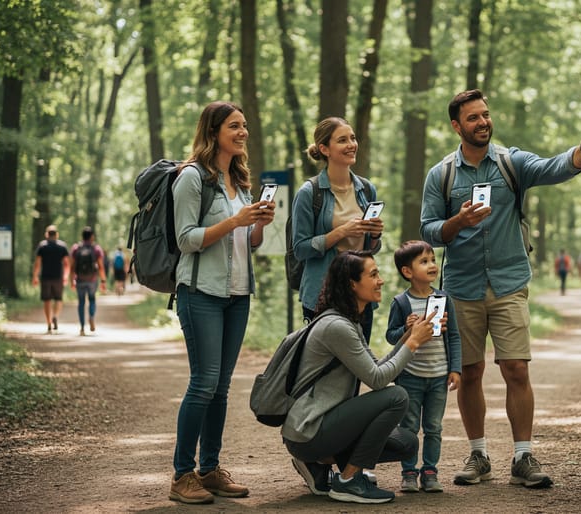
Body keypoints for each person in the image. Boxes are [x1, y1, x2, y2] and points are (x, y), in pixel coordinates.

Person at [419, 89, 581, 489]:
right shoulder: (442, 174)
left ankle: (524, 456)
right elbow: (428, 230)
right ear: (457, 126)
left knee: (516, 369)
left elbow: (553, 168)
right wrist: (457, 222)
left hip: (509, 282)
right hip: (461, 287)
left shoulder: (512, 163)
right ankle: (479, 455)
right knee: (470, 373)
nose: (483, 122)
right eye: (473, 118)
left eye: (486, 115)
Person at [168, 101, 275, 504]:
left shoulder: (241, 180)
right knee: (203, 383)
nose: (243, 132)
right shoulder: (192, 178)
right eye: (235, 126)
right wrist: (234, 220)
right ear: (214, 132)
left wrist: (259, 224)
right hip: (201, 293)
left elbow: (248, 243)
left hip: (237, 294)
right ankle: (182, 475)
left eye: (245, 125)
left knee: (221, 388)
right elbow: (186, 239)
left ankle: (210, 470)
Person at [284, 250, 437, 504]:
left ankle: (320, 464)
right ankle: (348, 480)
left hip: (318, 426)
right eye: (373, 274)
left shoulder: (349, 322)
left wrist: (408, 336)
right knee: (397, 396)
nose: (381, 280)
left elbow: (376, 366)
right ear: (352, 284)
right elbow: (377, 380)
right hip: (309, 430)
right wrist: (413, 344)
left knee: (406, 444)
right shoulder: (337, 327)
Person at [290, 117, 384, 342]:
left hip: (361, 293)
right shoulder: (309, 193)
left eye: (352, 138)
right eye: (342, 140)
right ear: (324, 149)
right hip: (323, 295)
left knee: (356, 371)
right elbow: (300, 249)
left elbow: (372, 247)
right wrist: (341, 232)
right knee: (324, 371)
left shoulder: (367, 189)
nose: (351, 144)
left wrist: (375, 235)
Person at [385, 240, 462, 494]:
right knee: (408, 427)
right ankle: (408, 472)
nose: (432, 265)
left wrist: (456, 368)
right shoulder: (401, 302)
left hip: (438, 375)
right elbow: (390, 336)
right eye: (424, 261)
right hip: (410, 376)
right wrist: (406, 328)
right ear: (407, 271)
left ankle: (430, 471)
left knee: (434, 427)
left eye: (432, 260)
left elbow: (453, 336)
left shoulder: (443, 298)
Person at [32, 224, 70, 334]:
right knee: (58, 299)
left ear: (46, 234)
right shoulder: (62, 246)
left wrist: (35, 276)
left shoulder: (42, 246)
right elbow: (67, 264)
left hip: (45, 277)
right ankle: (55, 316)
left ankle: (48, 323)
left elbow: (38, 263)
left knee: (47, 300)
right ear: (56, 235)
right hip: (58, 277)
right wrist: (66, 276)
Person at [70, 226, 107, 336]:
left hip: (80, 279)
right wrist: (103, 281)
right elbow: (101, 267)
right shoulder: (96, 249)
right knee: (92, 300)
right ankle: (91, 317)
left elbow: (72, 267)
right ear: (92, 237)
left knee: (81, 303)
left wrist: (72, 280)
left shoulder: (76, 248)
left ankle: (82, 328)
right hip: (92, 279)